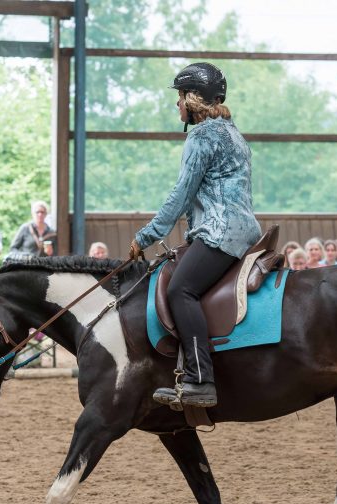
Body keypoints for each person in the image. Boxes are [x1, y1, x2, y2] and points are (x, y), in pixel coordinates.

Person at [129, 62, 259, 408]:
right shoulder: (234, 134)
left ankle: (200, 378)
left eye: (179, 98)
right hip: (242, 232)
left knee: (180, 289)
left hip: (220, 233)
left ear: (192, 99)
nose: (176, 106)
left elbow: (181, 194)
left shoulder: (201, 137)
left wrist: (145, 236)